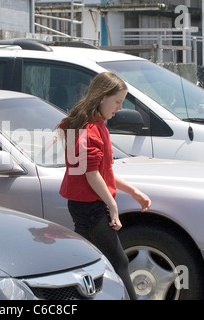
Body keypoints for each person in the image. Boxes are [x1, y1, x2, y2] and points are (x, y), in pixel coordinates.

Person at [57, 72, 151, 300]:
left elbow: (100, 173)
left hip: (84, 205)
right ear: (102, 98)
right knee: (117, 260)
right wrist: (113, 205)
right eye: (117, 102)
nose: (119, 108)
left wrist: (133, 192)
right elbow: (92, 175)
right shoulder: (90, 130)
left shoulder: (91, 125)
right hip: (90, 207)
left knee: (85, 261)